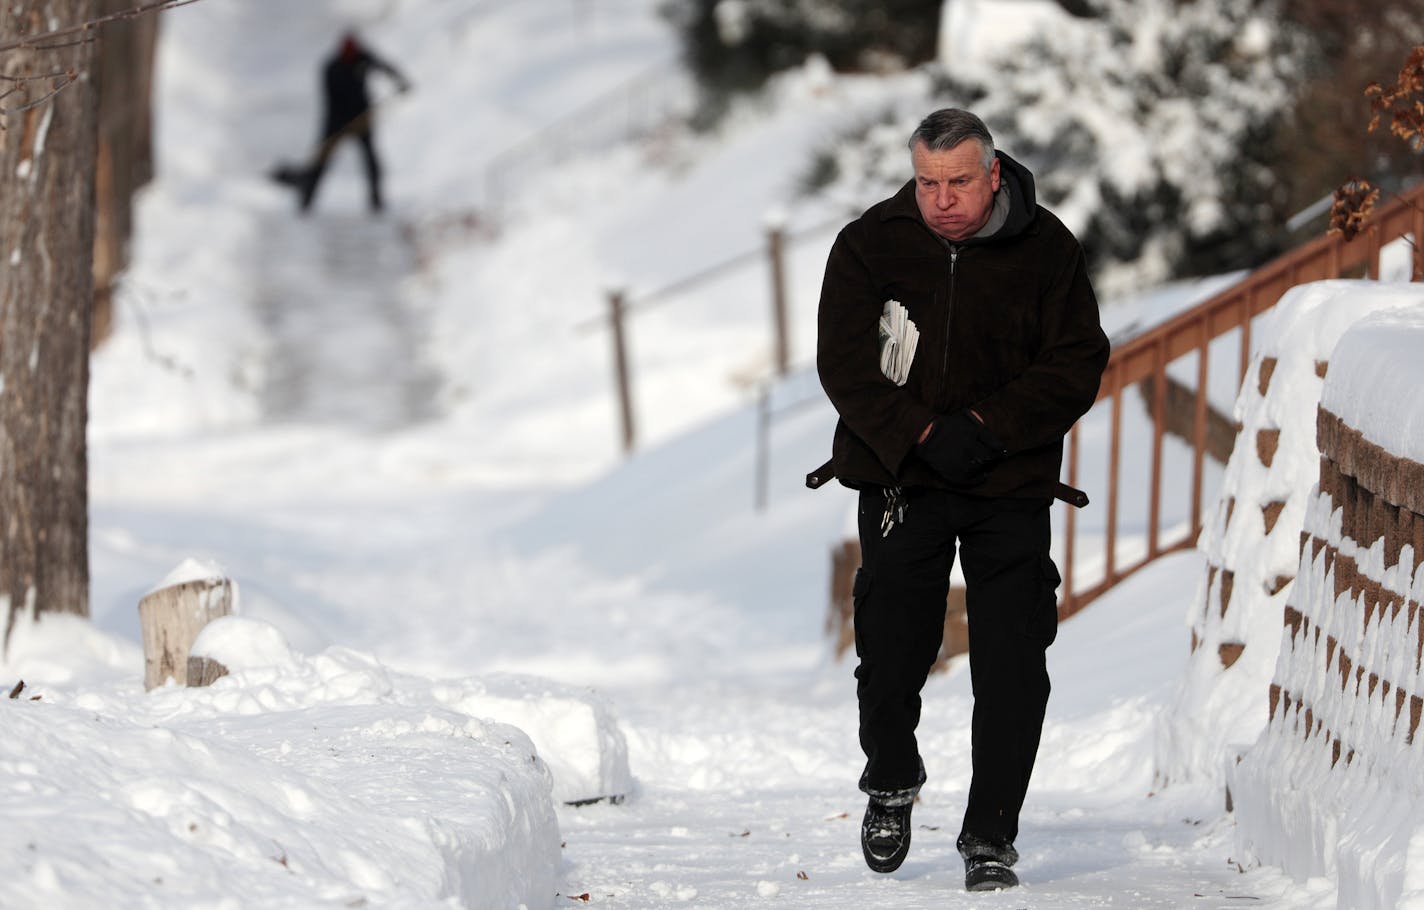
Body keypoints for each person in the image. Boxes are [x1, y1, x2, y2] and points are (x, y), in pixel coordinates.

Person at [812, 108, 1109, 892]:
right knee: (889, 647)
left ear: (994, 175)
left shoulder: (1046, 250)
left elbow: (1077, 361)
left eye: (959, 182)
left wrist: (986, 427)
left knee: (1013, 662)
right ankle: (890, 777)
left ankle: (990, 836)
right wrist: (916, 434)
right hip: (900, 479)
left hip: (1006, 482)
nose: (941, 199)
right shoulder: (869, 244)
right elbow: (843, 365)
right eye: (927, 182)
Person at [300, 31, 411, 214]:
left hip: (362, 118)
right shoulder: (331, 68)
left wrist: (400, 82)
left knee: (371, 162)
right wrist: (343, 122)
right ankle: (306, 201)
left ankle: (376, 203)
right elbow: (331, 100)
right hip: (336, 119)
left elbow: (384, 67)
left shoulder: (363, 58)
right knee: (321, 161)